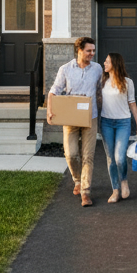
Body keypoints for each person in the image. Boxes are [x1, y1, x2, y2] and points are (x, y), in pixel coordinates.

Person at [47, 36, 103, 207]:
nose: (92, 53)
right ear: (79, 51)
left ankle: (85, 191)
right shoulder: (65, 69)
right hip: (71, 118)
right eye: (89, 51)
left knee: (88, 156)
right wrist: (50, 111)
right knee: (71, 154)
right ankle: (77, 179)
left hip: (90, 117)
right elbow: (53, 91)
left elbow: (99, 91)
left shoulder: (97, 69)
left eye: (93, 50)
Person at [99, 52, 137, 204]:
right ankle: (115, 190)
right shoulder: (102, 81)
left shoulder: (127, 82)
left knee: (119, 157)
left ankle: (124, 181)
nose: (104, 64)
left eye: (107, 62)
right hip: (106, 122)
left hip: (123, 123)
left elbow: (132, 103)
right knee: (111, 158)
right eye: (105, 61)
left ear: (115, 64)